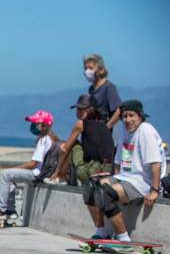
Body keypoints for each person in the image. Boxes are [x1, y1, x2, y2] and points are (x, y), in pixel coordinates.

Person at [82, 99, 166, 241]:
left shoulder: (146, 130)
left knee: (105, 193)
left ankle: (123, 238)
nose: (128, 120)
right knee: (90, 187)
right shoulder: (124, 131)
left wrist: (154, 191)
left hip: (143, 183)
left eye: (131, 115)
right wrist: (113, 180)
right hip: (126, 178)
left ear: (140, 116)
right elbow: (119, 162)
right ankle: (101, 231)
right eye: (125, 116)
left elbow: (156, 164)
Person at [0, 110, 58, 219]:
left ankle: (0, 209)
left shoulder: (44, 140)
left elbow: (33, 164)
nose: (32, 126)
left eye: (35, 123)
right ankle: (10, 210)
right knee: (10, 178)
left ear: (44, 125)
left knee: (6, 174)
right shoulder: (50, 139)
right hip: (40, 174)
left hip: (37, 175)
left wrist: (13, 169)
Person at [45, 94, 114, 185]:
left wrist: (56, 171)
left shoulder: (80, 124)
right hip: (107, 174)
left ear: (90, 109)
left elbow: (65, 149)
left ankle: (61, 177)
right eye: (78, 109)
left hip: (91, 173)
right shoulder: (104, 126)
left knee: (72, 144)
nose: (78, 112)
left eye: (81, 109)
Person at [83, 54, 122, 134]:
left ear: (101, 70)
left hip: (105, 134)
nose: (87, 71)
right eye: (85, 68)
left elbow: (119, 110)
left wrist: (107, 127)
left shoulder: (108, 87)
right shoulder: (91, 89)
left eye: (90, 68)